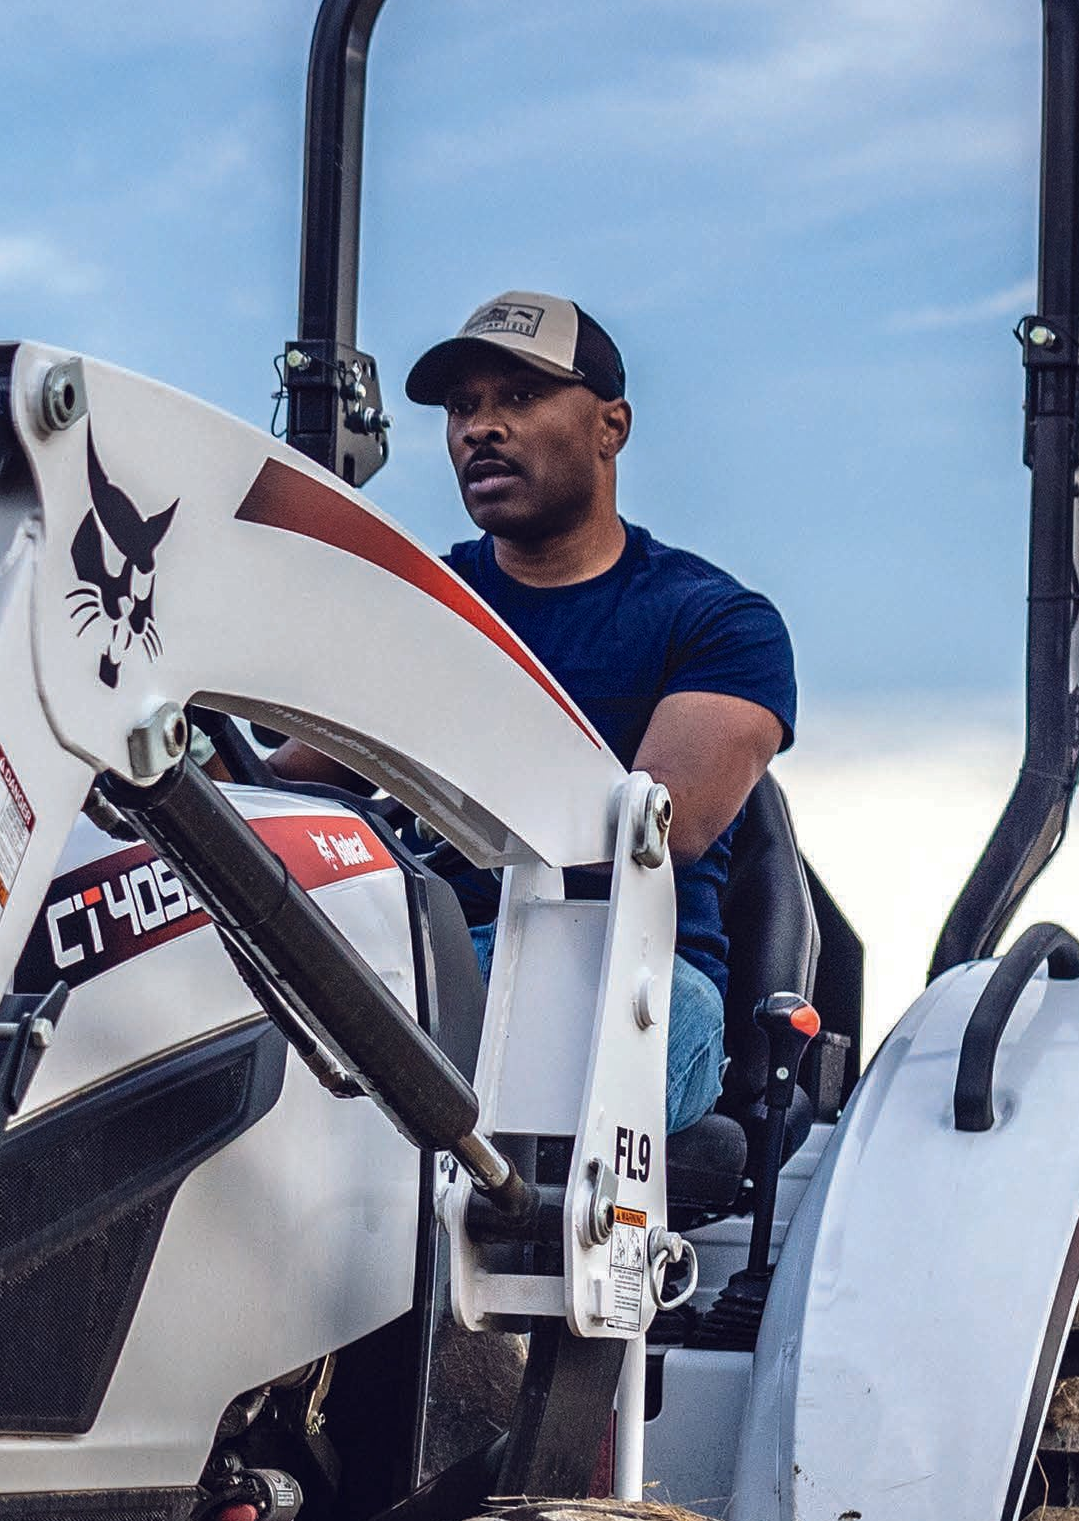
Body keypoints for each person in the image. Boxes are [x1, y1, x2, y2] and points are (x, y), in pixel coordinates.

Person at [284, 292, 796, 1135]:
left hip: (627, 969)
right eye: (463, 408)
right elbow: (288, 786)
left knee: (545, 1047)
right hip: (422, 957)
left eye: (520, 399)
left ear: (611, 426)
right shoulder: (420, 606)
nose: (481, 429)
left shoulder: (717, 622)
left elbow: (663, 821)